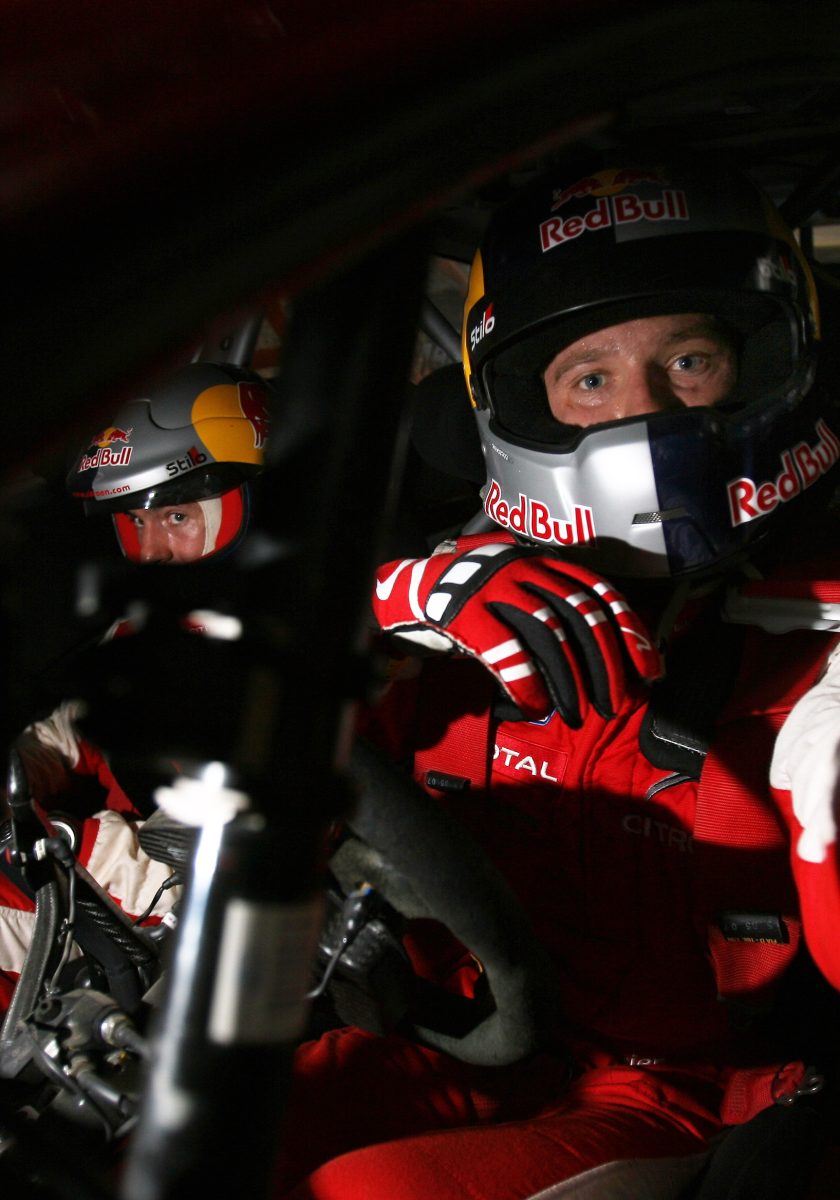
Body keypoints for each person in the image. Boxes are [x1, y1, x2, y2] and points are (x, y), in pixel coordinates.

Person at [272, 152, 840, 1198]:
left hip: (692, 1096)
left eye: (691, 359)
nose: (642, 409)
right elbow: (211, 729)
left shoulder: (816, 635)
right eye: (590, 378)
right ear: (518, 405)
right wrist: (381, 610)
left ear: (764, 363)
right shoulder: (454, 602)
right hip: (478, 1041)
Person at [0, 360, 272, 1013]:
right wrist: (22, 769)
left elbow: (227, 871)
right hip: (121, 900)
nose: (150, 551)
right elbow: (76, 729)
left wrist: (61, 841)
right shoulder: (148, 631)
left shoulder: (306, 649)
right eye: (136, 522)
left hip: (201, 929)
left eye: (176, 517)